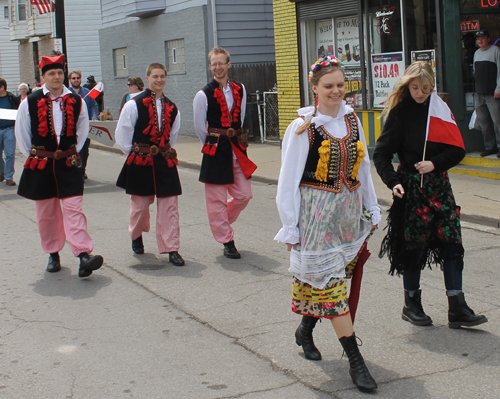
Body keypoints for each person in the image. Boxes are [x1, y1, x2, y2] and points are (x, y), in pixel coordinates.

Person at [275, 55, 380, 392]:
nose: (336, 91)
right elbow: (287, 181)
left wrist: (371, 206)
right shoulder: (303, 127)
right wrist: (290, 225)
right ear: (315, 88)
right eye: (329, 86)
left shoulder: (353, 120)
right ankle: (355, 360)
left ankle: (305, 329)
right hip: (317, 218)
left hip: (347, 215)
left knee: (329, 283)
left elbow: (363, 167)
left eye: (340, 85)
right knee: (332, 288)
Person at [373, 61, 488, 329]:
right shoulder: (399, 113)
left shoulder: (439, 109)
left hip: (439, 186)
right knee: (413, 247)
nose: (420, 92)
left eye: (425, 88)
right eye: (415, 87)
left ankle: (456, 306)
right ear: (407, 85)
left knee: (452, 244)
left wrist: (435, 163)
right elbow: (381, 153)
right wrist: (392, 182)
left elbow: (458, 149)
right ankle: (411, 303)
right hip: (411, 188)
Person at [14, 54, 104, 277]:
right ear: (43, 76)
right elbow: (23, 135)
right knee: (47, 212)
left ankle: (83, 255)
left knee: (74, 209)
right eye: (51, 73)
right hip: (42, 164)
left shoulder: (76, 100)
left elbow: (82, 131)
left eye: (59, 73)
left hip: (68, 162)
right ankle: (53, 253)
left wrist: (70, 151)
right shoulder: (30, 102)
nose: (56, 77)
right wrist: (37, 155)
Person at [115, 62, 185, 267]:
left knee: (170, 206)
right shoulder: (133, 104)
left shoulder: (172, 107)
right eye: (155, 76)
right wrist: (136, 153)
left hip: (164, 160)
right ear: (148, 78)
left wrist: (162, 151)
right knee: (140, 207)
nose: (159, 80)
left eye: (162, 76)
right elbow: (123, 135)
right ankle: (136, 234)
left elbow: (173, 135)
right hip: (140, 161)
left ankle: (171, 248)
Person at [193, 46, 256, 259]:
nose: (218, 67)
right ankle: (227, 240)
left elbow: (241, 114)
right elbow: (200, 127)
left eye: (222, 63)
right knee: (216, 199)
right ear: (210, 66)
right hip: (215, 147)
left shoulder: (240, 88)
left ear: (228, 65)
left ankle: (220, 221)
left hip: (236, 147)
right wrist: (213, 142)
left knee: (245, 194)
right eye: (214, 64)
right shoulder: (203, 94)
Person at [473, 30, 500, 157]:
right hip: (479, 93)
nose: (480, 41)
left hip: (492, 93)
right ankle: (490, 147)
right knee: (484, 122)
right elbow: (475, 72)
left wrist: (498, 89)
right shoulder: (476, 53)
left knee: (497, 121)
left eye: (483, 38)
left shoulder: (495, 51)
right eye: (478, 38)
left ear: (488, 39)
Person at [69, 70, 99, 181]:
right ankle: (75, 172)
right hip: (71, 128)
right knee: (72, 150)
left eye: (78, 78)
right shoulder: (66, 93)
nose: (76, 80)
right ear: (70, 80)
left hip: (85, 127)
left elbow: (93, 106)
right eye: (73, 78)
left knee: (84, 151)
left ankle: (82, 171)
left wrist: (95, 117)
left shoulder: (88, 92)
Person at [0, 78, 20, 186]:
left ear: (2, 87)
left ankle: (9, 177)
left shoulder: (12, 98)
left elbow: (19, 111)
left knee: (9, 153)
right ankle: (1, 171)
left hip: (9, 128)